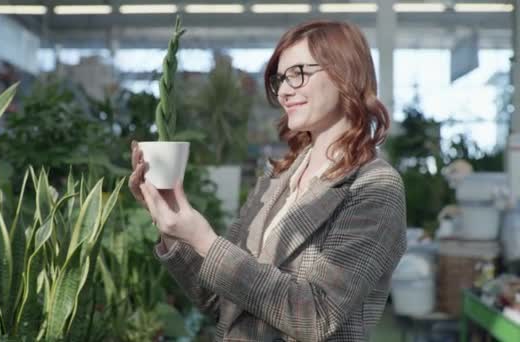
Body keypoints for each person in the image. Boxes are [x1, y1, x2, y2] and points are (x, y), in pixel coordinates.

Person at [129, 20, 406, 342]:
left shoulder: (374, 187)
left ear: (345, 72)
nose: (284, 91)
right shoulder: (278, 178)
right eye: (280, 79)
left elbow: (317, 316)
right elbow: (220, 301)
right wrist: (172, 225)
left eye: (298, 73)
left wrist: (204, 238)